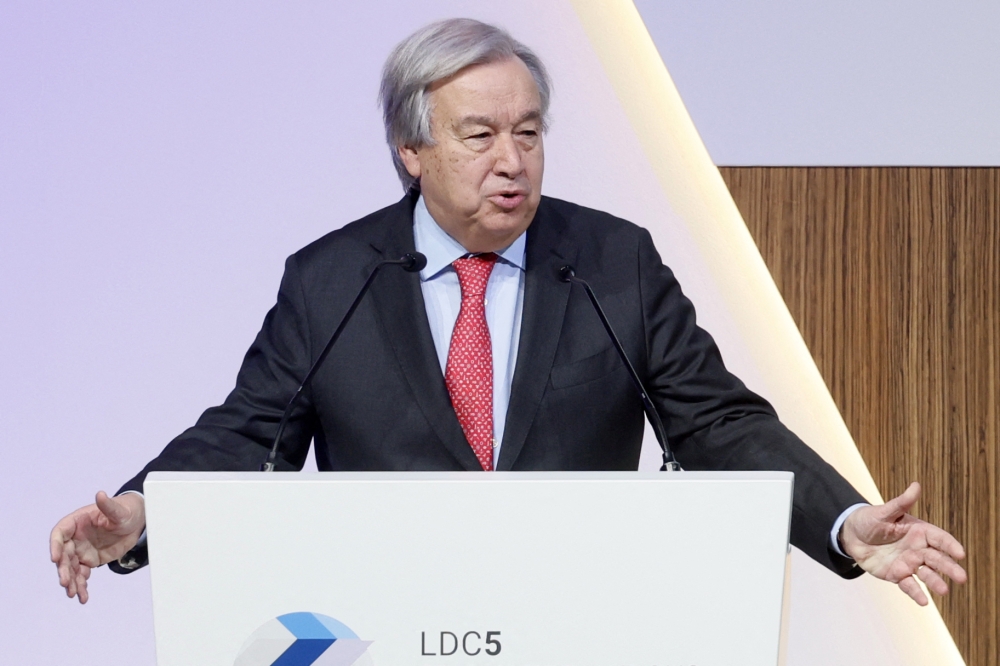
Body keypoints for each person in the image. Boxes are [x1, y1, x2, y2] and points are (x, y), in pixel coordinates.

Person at [51, 18, 966, 608]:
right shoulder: (332, 280)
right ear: (412, 148)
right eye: (480, 135)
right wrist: (141, 514)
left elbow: (715, 422)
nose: (513, 160)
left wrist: (845, 526)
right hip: (388, 631)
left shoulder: (614, 261)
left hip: (580, 628)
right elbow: (248, 433)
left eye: (528, 132)